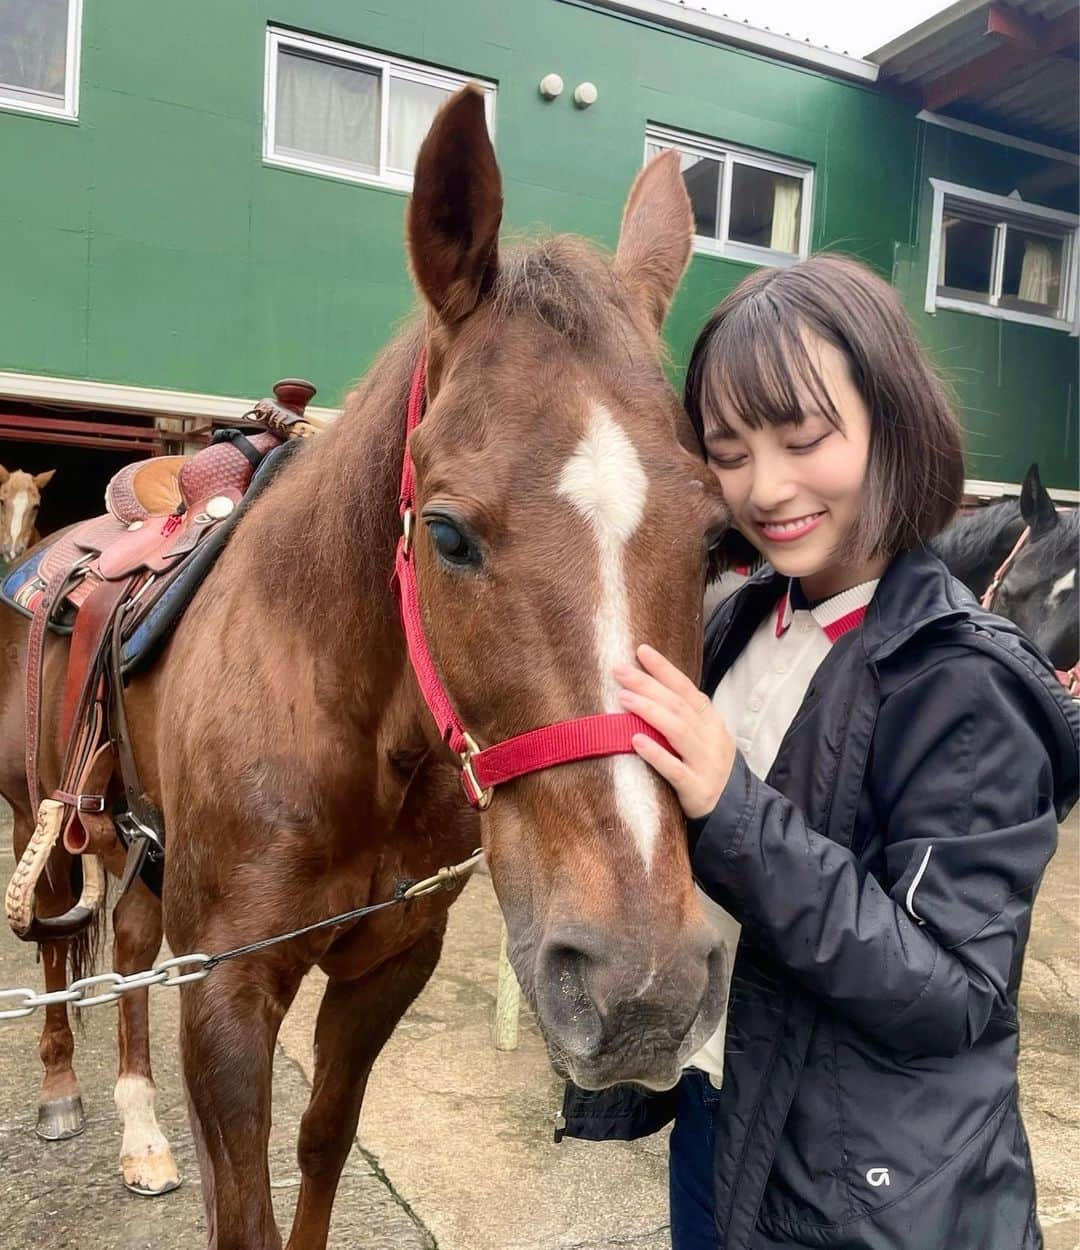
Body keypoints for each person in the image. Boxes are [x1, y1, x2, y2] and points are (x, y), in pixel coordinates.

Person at [558, 254, 1079, 1249]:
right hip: (724, 1110)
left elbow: (951, 991)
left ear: (894, 421)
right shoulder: (737, 620)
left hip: (875, 1190)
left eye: (804, 437)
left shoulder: (961, 683)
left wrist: (732, 804)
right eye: (729, 448)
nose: (767, 485)